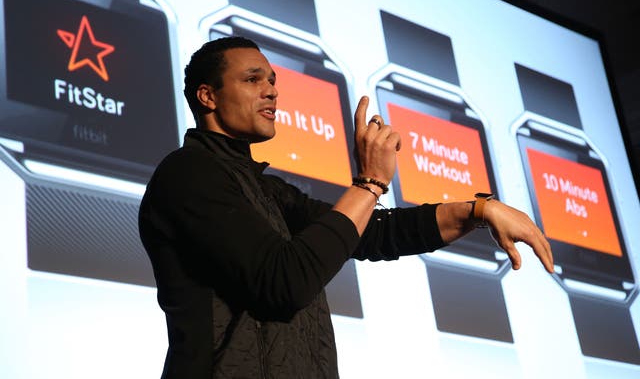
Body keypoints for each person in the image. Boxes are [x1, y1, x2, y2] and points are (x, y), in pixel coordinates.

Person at [139, 36, 554, 378]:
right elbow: (283, 283)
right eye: (252, 79)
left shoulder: (268, 191)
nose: (272, 90)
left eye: (272, 79)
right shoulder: (188, 174)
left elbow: (372, 232)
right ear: (207, 96)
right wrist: (370, 182)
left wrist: (477, 211)